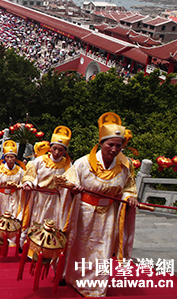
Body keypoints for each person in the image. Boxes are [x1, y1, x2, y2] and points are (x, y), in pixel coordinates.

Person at [58, 112, 138, 297]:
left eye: (118, 146)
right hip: (84, 212)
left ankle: (95, 287)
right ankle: (72, 277)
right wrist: (72, 189)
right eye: (110, 144)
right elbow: (67, 182)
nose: (114, 149)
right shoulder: (83, 163)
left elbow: (129, 186)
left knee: (102, 250)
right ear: (101, 143)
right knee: (80, 248)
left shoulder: (126, 165)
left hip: (108, 214)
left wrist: (129, 197)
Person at [20, 131, 71, 251]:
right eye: (55, 148)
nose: (57, 152)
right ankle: (32, 249)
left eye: (61, 150)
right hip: (39, 197)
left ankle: (49, 249)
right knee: (37, 221)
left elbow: (70, 180)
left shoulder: (67, 164)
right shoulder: (39, 161)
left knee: (53, 224)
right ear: (50, 148)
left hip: (56, 199)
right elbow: (30, 175)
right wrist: (28, 183)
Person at [0, 140, 24, 245]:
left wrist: (20, 186)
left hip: (14, 196)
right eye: (8, 157)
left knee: (13, 216)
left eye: (12, 157)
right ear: (4, 158)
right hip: (1, 196)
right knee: (0, 215)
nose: (10, 159)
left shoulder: (20, 171)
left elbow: (24, 181)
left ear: (15, 158)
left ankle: (12, 239)